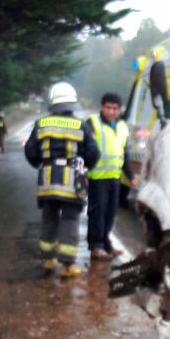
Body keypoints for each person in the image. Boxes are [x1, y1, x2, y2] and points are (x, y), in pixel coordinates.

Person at [24, 82, 100, 277]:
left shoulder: (42, 124)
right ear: (72, 104)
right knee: (69, 219)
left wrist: (40, 163)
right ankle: (67, 265)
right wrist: (84, 167)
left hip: (47, 180)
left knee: (49, 217)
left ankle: (48, 260)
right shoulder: (80, 126)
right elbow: (93, 152)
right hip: (71, 180)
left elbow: (30, 150)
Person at [86, 93, 137, 260]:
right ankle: (96, 246)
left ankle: (106, 244)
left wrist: (130, 175)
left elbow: (124, 153)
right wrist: (83, 172)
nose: (112, 111)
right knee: (97, 213)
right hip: (97, 177)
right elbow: (84, 148)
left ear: (120, 109)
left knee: (110, 213)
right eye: (108, 107)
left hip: (114, 178)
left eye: (115, 108)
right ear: (102, 107)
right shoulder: (92, 123)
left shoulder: (122, 126)